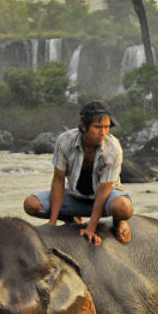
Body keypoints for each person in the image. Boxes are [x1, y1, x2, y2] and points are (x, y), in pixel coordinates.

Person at [23, 100, 134, 244]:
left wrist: (91, 227)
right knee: (31, 204)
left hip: (106, 198)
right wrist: (53, 221)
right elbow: (58, 180)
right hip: (75, 196)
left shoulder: (113, 148)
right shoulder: (64, 141)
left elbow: (104, 191)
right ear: (83, 126)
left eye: (107, 127)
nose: (103, 132)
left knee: (123, 208)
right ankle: (71, 218)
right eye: (97, 127)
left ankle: (119, 221)